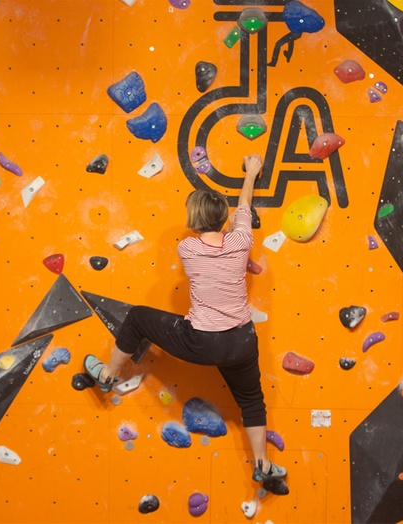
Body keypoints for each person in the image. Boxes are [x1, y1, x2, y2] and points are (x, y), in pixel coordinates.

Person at [83, 152, 287, 485]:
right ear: (223, 218)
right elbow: (244, 210)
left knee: (136, 317)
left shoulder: (188, 249)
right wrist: (250, 173)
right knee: (251, 399)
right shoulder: (241, 240)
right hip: (241, 340)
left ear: (193, 222)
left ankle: (107, 374)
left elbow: (230, 220)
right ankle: (262, 464)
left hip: (203, 342)